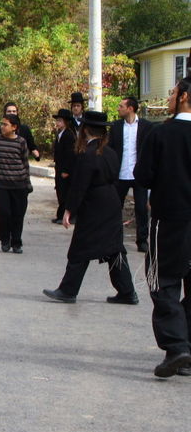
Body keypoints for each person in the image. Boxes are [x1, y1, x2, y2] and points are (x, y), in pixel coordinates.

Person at [43, 111, 139, 308]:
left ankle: (68, 290)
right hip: (111, 202)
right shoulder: (110, 152)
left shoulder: (87, 154)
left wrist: (69, 210)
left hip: (94, 204)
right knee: (114, 248)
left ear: (85, 130)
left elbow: (80, 185)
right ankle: (127, 292)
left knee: (80, 247)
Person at [134, 77, 191, 377]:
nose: (169, 98)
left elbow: (142, 177)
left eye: (172, 93)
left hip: (169, 221)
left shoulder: (162, 134)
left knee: (164, 281)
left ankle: (177, 346)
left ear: (183, 97)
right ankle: (187, 348)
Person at [108, 97, 153, 253]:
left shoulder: (146, 127)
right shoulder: (116, 126)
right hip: (120, 174)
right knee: (114, 207)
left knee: (141, 208)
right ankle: (114, 240)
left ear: (131, 109)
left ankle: (142, 240)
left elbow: (150, 151)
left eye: (121, 106)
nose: (118, 108)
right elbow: (111, 149)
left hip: (138, 174)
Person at [0, 113, 31, 253]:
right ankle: (5, 239)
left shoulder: (21, 142)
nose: (2, 127)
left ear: (14, 127)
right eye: (2, 124)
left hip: (19, 185)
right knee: (4, 213)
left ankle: (16, 243)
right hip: (2, 185)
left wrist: (27, 183)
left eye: (5, 124)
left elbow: (25, 164)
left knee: (18, 215)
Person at [51, 109, 76, 224]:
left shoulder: (69, 135)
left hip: (65, 169)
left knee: (65, 192)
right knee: (60, 191)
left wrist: (66, 170)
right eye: (57, 120)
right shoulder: (60, 134)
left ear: (66, 122)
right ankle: (60, 214)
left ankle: (66, 216)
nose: (58, 123)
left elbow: (70, 154)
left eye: (60, 121)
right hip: (59, 167)